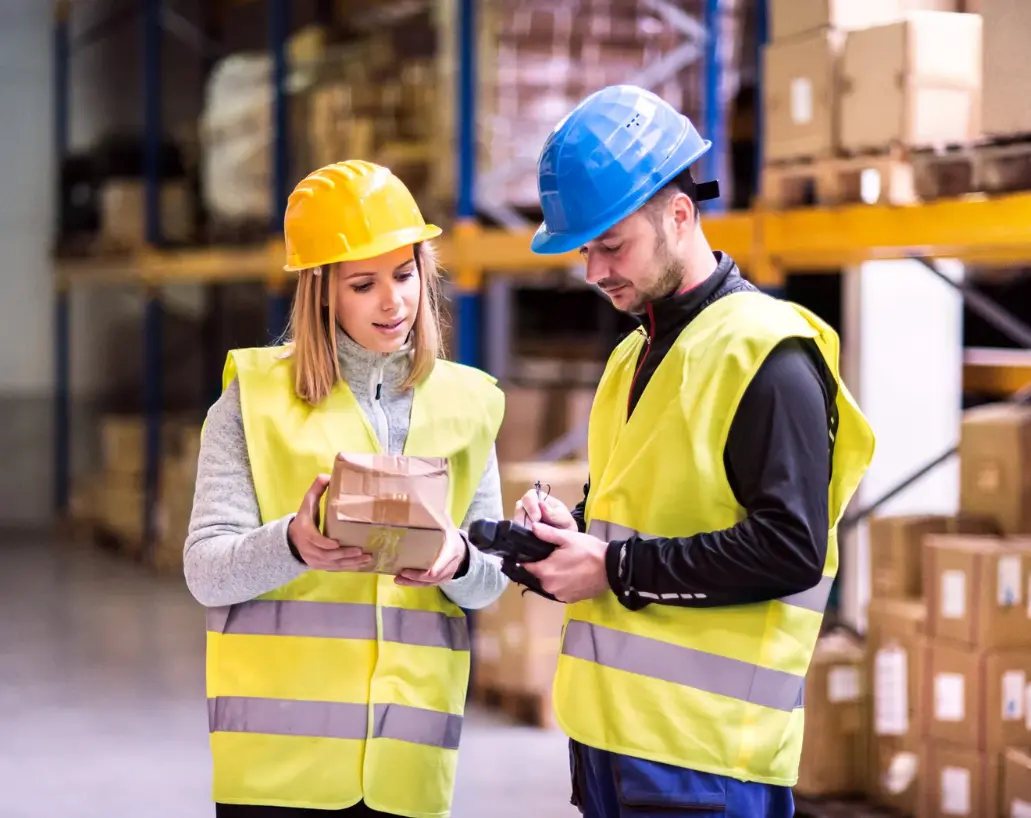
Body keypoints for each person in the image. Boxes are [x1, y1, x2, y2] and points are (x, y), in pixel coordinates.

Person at [515, 85, 876, 817]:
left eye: (611, 245)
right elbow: (636, 517)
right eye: (585, 250)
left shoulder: (766, 354)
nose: (593, 272)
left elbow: (790, 550)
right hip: (612, 742)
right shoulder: (631, 357)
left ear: (679, 215)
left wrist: (612, 567)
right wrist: (565, 538)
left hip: (708, 762)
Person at [183, 160, 509, 818]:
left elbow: (490, 581)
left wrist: (459, 561)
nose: (393, 302)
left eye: (404, 275)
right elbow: (206, 573)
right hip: (279, 771)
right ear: (322, 291)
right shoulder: (253, 402)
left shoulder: (468, 404)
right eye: (364, 283)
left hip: (407, 769)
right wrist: (293, 544)